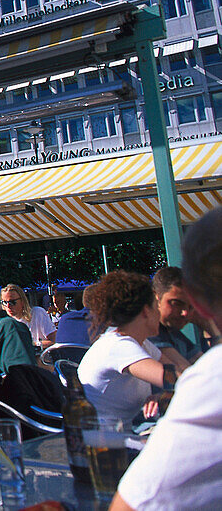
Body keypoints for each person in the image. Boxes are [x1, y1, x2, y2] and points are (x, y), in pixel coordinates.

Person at [112, 208, 222, 511]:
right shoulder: (129, 343)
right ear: (149, 306)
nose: (184, 313)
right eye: (175, 305)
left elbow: (130, 504)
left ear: (199, 301)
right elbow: (179, 375)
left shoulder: (211, 378)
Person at [77, 271, 165, 424]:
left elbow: (176, 372)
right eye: (156, 305)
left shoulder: (139, 342)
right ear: (146, 311)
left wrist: (164, 395)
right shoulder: (119, 346)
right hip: (106, 442)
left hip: (126, 433)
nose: (160, 312)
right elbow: (176, 378)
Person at [149, 266, 201, 372]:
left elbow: (213, 370)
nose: (185, 313)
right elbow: (191, 376)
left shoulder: (175, 334)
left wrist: (209, 326)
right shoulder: (148, 334)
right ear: (156, 298)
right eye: (176, 304)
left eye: (191, 307)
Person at [0, 283, 56, 350]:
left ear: (22, 301)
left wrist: (32, 344)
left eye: (12, 302)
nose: (8, 306)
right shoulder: (5, 323)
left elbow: (54, 341)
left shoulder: (37, 313)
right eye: (4, 302)